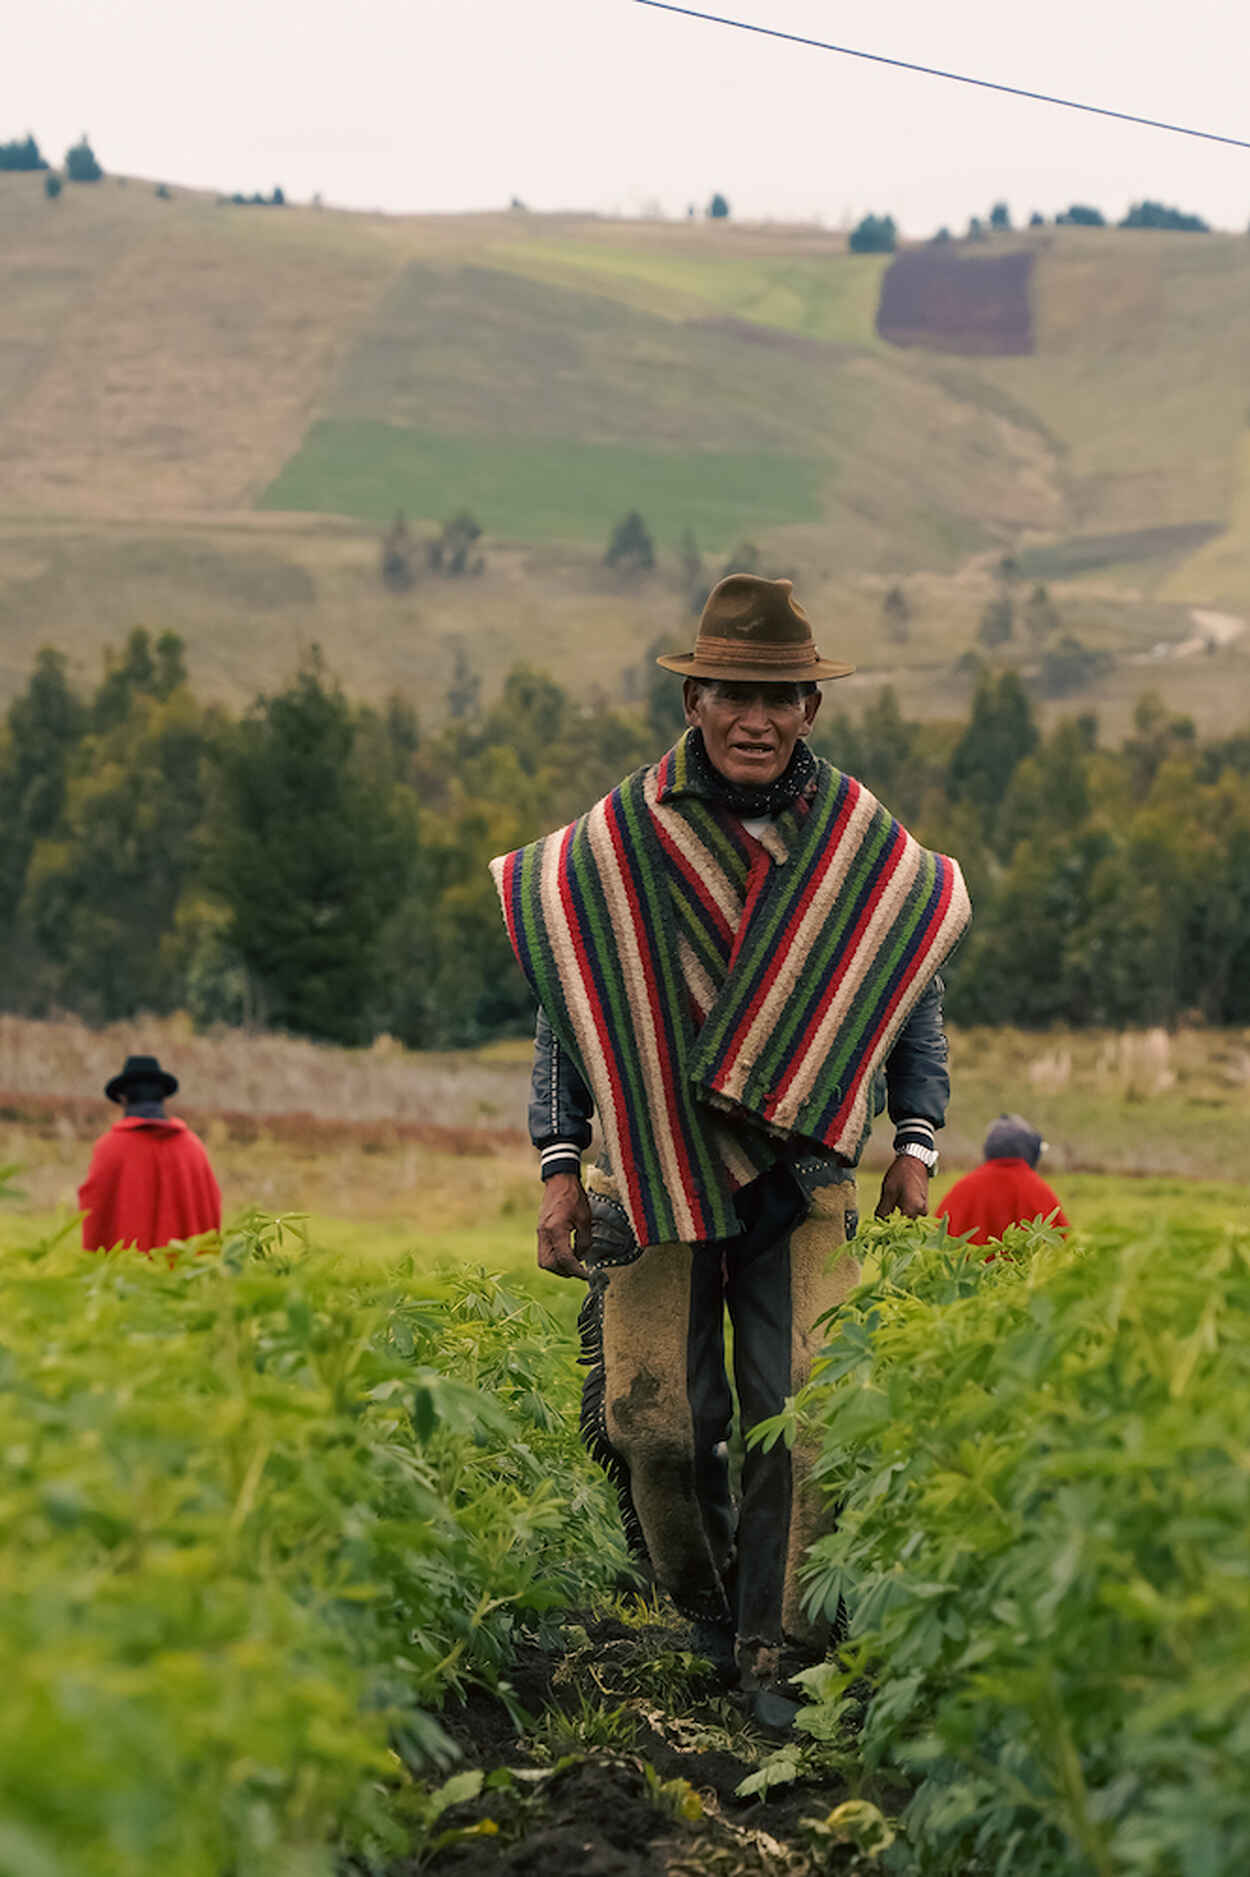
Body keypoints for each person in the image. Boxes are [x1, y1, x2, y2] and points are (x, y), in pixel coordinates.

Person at [490, 575, 971, 1729]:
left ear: (809, 707)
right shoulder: (616, 846)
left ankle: (774, 1643)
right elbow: (571, 1012)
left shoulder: (862, 847)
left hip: (804, 1174)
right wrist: (560, 1163)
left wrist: (913, 1138)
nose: (752, 716)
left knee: (800, 1415)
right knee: (654, 1414)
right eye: (728, 692)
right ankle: (700, 1610)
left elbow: (910, 995)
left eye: (777, 695)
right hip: (654, 1172)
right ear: (693, 697)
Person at [79, 1054, 221, 1253]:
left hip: (126, 1277)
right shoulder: (192, 1147)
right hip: (185, 1272)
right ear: (163, 1098)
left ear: (123, 1098)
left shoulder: (110, 1147)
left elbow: (95, 1213)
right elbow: (210, 1211)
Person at [938, 1113, 1069, 1249]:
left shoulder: (962, 1189)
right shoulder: (1038, 1190)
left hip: (969, 1269)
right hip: (1029, 1270)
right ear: (1030, 1151)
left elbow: (937, 1239)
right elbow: (1063, 1246)